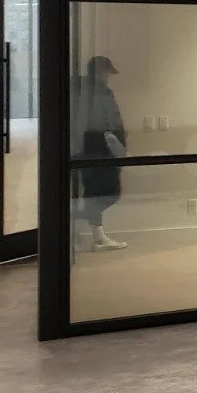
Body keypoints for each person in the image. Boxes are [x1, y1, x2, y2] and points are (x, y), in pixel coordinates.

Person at [73, 55, 128, 251]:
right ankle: (78, 219)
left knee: (95, 192)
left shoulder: (79, 91)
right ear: (100, 72)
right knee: (106, 193)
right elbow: (108, 124)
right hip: (99, 148)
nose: (108, 77)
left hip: (86, 148)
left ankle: (97, 236)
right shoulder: (99, 94)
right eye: (106, 72)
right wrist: (118, 146)